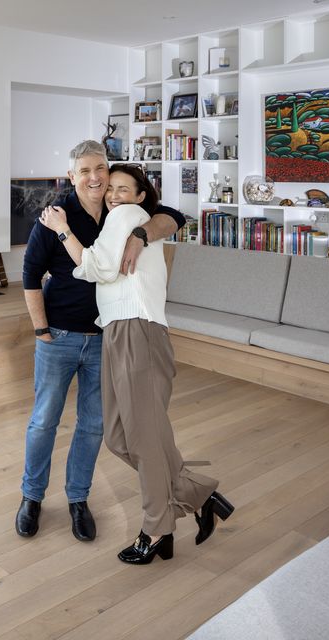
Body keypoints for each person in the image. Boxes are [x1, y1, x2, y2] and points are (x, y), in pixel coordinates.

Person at [39, 163, 234, 564]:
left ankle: (156, 530)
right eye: (111, 188)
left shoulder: (127, 215)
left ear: (140, 197)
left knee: (142, 439)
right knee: (119, 437)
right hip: (119, 332)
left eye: (123, 189)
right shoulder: (129, 219)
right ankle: (199, 494)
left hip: (136, 331)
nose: (114, 195)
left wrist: (62, 230)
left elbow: (96, 268)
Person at [16, 141, 186, 542]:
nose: (95, 178)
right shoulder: (55, 217)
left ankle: (78, 499)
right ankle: (31, 497)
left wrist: (141, 234)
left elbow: (175, 217)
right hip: (58, 337)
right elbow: (29, 276)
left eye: (101, 169)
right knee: (44, 421)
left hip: (105, 339)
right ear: (71, 176)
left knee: (93, 425)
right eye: (85, 171)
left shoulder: (119, 210)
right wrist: (41, 330)